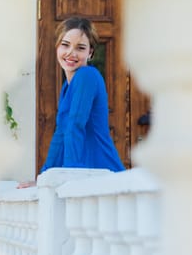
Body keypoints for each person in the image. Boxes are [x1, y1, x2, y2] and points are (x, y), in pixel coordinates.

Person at [18, 17, 125, 189]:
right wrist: (43, 178)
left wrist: (70, 173)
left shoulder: (87, 75)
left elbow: (76, 125)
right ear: (57, 47)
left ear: (90, 53)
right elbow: (61, 133)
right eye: (65, 45)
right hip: (88, 175)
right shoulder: (67, 87)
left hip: (101, 172)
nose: (71, 53)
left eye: (80, 48)